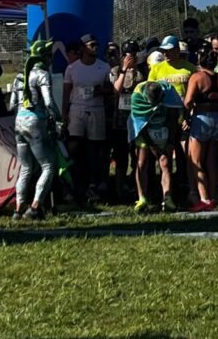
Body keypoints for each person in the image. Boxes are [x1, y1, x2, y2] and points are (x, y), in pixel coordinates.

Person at [9, 39, 60, 220]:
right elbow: (49, 103)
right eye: (49, 56)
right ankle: (35, 207)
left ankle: (18, 209)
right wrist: (59, 119)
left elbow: (12, 105)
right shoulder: (42, 74)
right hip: (35, 121)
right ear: (44, 57)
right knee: (48, 165)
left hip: (19, 122)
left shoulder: (19, 76)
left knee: (26, 167)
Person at [62, 34, 113, 204]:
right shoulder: (72, 68)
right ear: (83, 48)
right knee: (73, 146)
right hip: (77, 109)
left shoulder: (104, 67)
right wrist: (64, 113)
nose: (95, 47)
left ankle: (93, 185)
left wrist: (103, 91)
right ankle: (72, 184)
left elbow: (112, 89)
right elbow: (66, 92)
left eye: (97, 44)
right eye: (92, 45)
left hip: (97, 110)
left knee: (95, 149)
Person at [129, 81, 184, 213]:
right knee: (142, 162)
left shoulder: (169, 92)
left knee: (165, 162)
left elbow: (173, 117)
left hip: (163, 126)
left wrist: (170, 142)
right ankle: (142, 198)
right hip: (144, 129)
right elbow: (139, 123)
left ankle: (167, 198)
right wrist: (152, 145)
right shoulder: (137, 96)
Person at [183, 50, 218, 211]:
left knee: (196, 161)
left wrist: (186, 115)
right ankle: (213, 196)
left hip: (201, 117)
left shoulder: (197, 77)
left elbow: (188, 101)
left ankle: (204, 198)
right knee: (212, 160)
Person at [108, 39, 145, 202]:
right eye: (129, 54)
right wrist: (124, 69)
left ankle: (138, 189)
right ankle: (118, 190)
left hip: (137, 120)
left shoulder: (141, 72)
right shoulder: (115, 71)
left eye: (134, 54)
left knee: (138, 158)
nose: (132, 58)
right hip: (120, 122)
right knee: (121, 158)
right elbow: (116, 89)